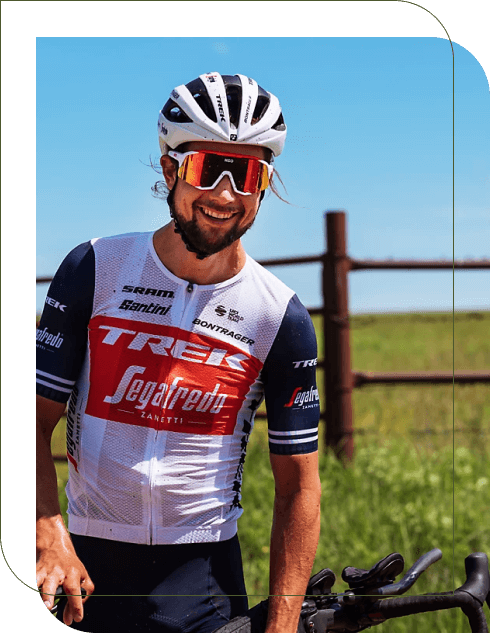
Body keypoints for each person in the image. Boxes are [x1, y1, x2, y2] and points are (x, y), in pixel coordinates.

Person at [36, 72, 321, 633]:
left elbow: (298, 488)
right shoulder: (95, 269)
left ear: (264, 185)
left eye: (245, 174)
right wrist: (48, 530)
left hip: (205, 582)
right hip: (83, 572)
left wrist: (283, 623)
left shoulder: (278, 316)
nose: (224, 194)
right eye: (206, 168)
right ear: (170, 169)